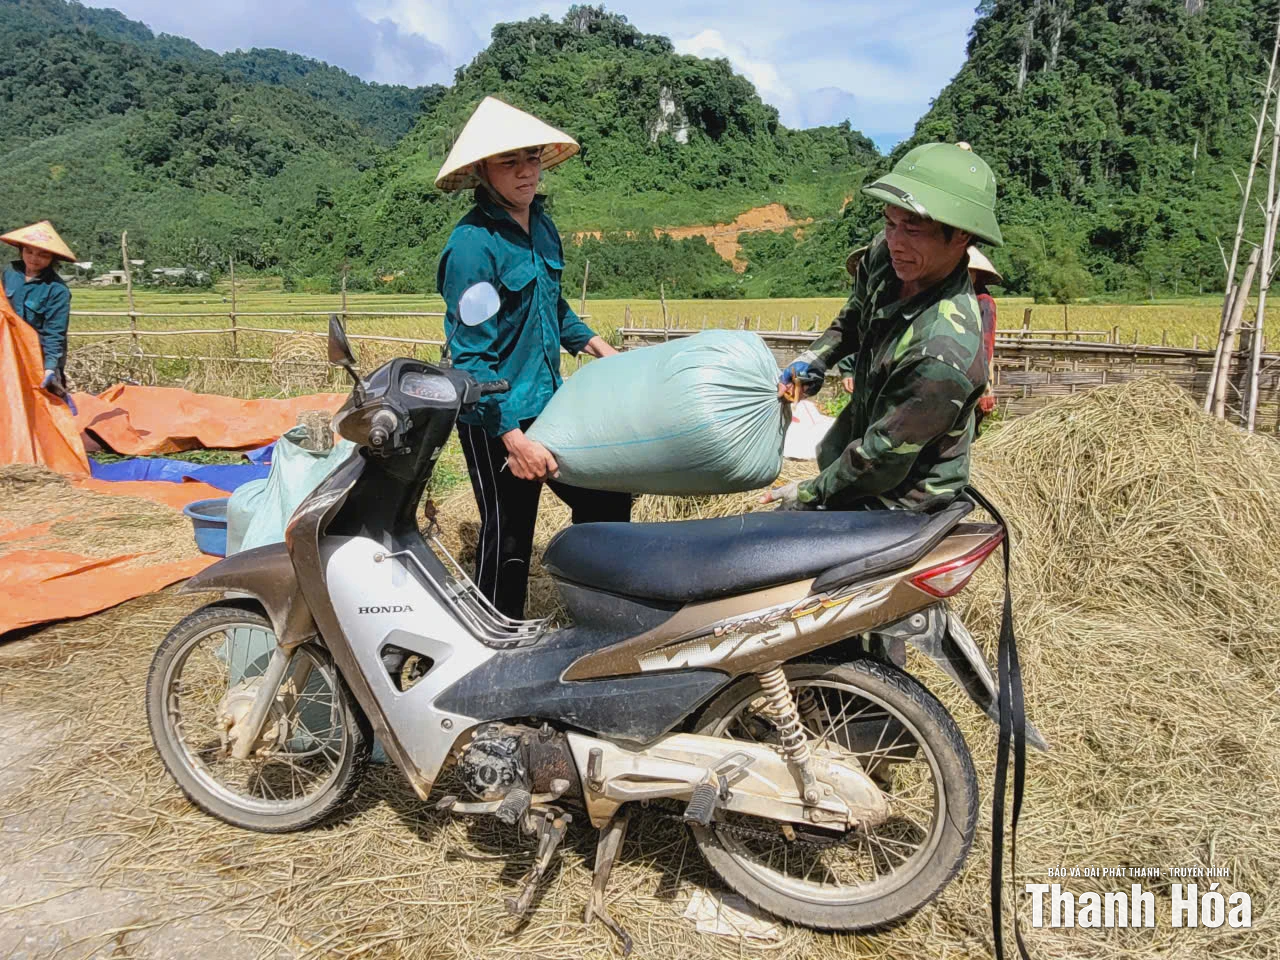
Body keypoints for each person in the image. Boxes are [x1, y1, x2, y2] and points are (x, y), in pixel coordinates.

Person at [434, 96, 631, 620]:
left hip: (550, 403)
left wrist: (599, 349)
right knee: (509, 539)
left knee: (607, 503)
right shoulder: (473, 247)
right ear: (482, 171)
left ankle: (598, 614)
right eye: (509, 162)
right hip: (494, 416)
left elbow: (555, 309)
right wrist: (512, 439)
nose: (525, 172)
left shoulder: (541, 227)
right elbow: (472, 358)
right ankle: (493, 649)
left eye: (532, 158)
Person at [765, 141, 1002, 512]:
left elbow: (880, 460)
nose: (895, 241)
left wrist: (809, 493)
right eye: (890, 222)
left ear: (961, 236)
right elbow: (857, 315)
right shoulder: (885, 255)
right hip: (857, 451)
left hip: (900, 500)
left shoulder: (942, 353)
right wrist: (816, 360)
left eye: (913, 229)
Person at [838, 244, 1002, 429]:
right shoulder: (896, 297)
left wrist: (985, 388)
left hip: (941, 383)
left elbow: (984, 348)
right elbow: (862, 335)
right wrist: (847, 369)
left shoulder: (980, 303)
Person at [2, 221, 77, 410]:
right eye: (29, 251)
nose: (34, 258)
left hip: (39, 354)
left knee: (43, 405)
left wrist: (50, 367)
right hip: (8, 351)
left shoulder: (57, 290)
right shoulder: (8, 274)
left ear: (52, 258)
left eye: (43, 254)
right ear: (21, 250)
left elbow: (54, 333)